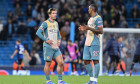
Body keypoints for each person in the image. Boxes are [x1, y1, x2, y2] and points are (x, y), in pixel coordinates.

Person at [36, 8, 68, 84]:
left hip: (56, 46)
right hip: (48, 46)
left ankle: (60, 81)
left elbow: (58, 33)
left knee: (61, 62)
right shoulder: (45, 23)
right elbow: (38, 32)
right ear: (49, 14)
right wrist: (45, 40)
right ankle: (48, 81)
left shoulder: (56, 23)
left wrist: (59, 39)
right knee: (48, 63)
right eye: (53, 13)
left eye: (55, 13)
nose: (55, 14)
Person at [79, 4, 103, 84]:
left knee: (95, 61)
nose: (88, 10)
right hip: (87, 42)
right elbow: (90, 30)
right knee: (86, 61)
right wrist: (84, 29)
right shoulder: (90, 19)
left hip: (95, 42)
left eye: (89, 8)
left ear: (92, 9)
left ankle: (95, 80)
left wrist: (89, 28)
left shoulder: (98, 18)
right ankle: (91, 79)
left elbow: (101, 31)